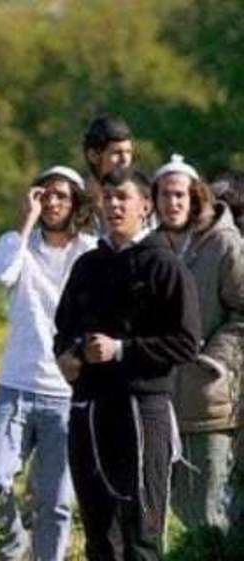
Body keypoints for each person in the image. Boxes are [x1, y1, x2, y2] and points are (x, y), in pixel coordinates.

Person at [54, 167, 201, 560]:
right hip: (89, 409)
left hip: (142, 409)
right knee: (100, 535)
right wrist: (66, 356)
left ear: (145, 206)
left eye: (123, 198)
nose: (114, 206)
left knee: (142, 535)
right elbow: (63, 329)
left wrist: (122, 351)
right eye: (108, 198)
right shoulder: (87, 265)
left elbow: (186, 342)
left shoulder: (164, 265)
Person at [0, 166, 96, 561]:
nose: (53, 202)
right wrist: (24, 224)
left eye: (62, 195)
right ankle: (12, 552)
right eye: (45, 194)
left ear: (75, 201)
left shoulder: (91, 251)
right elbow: (0, 275)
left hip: (68, 391)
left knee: (57, 501)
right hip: (16, 383)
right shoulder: (18, 245)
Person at [151, 155, 244, 537]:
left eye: (180, 195)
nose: (172, 203)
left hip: (209, 397)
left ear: (194, 197)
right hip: (159, 397)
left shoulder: (225, 244)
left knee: (209, 514)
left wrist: (212, 360)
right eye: (165, 195)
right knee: (179, 509)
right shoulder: (151, 247)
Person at [83, 114, 135, 227]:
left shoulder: (141, 201)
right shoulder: (77, 204)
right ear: (93, 156)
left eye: (128, 152)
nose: (125, 160)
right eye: (117, 153)